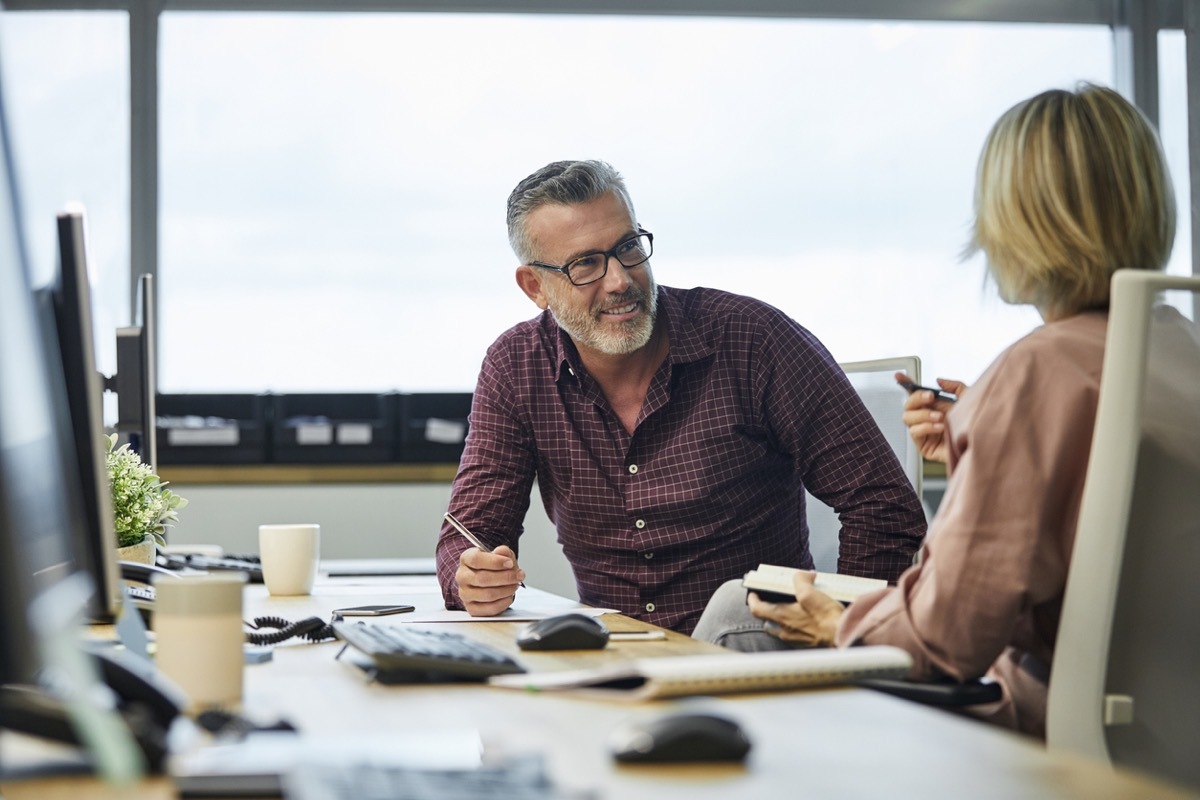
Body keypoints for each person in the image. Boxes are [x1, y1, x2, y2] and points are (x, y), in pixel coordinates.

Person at [691, 83, 1177, 737]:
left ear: (1017, 220)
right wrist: (992, 446)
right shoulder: (1172, 349)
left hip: (1033, 716)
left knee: (737, 613)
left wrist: (840, 624)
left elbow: (946, 640)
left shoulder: (1039, 371)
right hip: (1165, 728)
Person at [435, 159, 927, 634]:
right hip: (615, 662)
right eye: (586, 264)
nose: (620, 280)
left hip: (756, 651)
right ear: (535, 287)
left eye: (629, 247)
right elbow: (469, 534)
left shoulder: (753, 339)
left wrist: (847, 640)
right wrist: (473, 578)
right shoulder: (515, 365)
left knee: (732, 613)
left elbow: (882, 506)